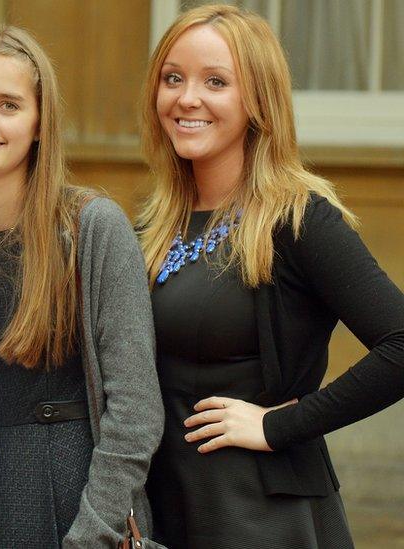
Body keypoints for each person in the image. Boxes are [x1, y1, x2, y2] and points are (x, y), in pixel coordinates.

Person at [138, 5, 404, 547]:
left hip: (262, 514)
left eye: (215, 81)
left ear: (258, 101)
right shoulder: (150, 224)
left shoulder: (298, 218)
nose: (187, 97)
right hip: (166, 506)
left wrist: (278, 425)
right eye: (173, 78)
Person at [0, 26, 164, 548]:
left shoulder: (92, 227)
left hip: (70, 496)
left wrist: (93, 533)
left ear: (40, 124)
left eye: (8, 105)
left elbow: (135, 412)